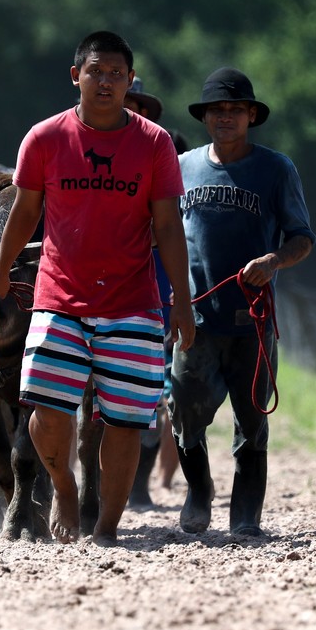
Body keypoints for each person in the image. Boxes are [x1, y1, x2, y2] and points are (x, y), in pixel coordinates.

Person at [0, 31, 195, 546]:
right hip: (59, 299)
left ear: (130, 81)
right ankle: (64, 486)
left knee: (124, 421)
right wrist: (1, 270)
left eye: (117, 74)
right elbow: (25, 210)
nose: (106, 82)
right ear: (76, 75)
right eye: (96, 71)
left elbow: (167, 227)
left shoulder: (154, 144)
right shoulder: (45, 138)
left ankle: (106, 528)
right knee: (46, 416)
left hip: (133, 304)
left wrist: (182, 303)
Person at [171, 66, 315, 537]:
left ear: (252, 115)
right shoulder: (184, 167)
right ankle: (198, 491)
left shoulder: (276, 169)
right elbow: (165, 235)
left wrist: (273, 261)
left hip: (252, 320)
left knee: (252, 418)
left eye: (235, 109)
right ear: (205, 117)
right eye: (217, 109)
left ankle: (246, 515)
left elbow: (302, 238)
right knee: (185, 410)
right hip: (196, 317)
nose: (226, 117)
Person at [122, 77, 182, 506]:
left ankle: (139, 484)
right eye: (129, 103)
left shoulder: (167, 157)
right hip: (90, 291)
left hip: (154, 292)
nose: (134, 111)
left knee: (149, 396)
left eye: (139, 104)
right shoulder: (74, 151)